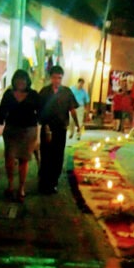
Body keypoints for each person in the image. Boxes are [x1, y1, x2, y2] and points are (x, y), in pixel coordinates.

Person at [0, 68, 40, 202]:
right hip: (11, 130)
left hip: (28, 131)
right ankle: (10, 185)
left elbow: (40, 113)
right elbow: (2, 111)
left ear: (27, 81)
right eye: (18, 79)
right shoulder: (9, 94)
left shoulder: (33, 95)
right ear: (14, 81)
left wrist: (42, 131)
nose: (21, 82)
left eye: (23, 80)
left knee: (23, 160)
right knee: (9, 159)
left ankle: (21, 187)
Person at [36, 65, 79, 194]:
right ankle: (44, 181)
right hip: (46, 129)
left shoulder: (67, 92)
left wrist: (77, 125)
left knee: (58, 155)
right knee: (46, 154)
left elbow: (72, 110)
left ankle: (54, 181)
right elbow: (38, 111)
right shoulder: (44, 92)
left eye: (59, 78)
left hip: (60, 129)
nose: (57, 81)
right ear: (51, 78)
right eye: (54, 78)